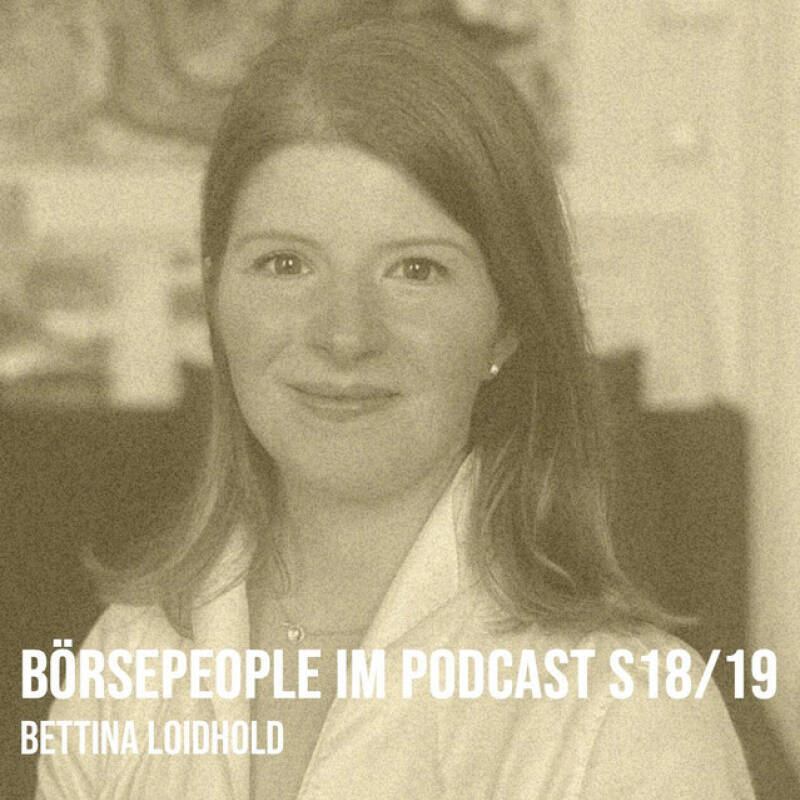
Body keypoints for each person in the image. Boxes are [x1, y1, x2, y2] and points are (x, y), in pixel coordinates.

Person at [37, 18, 755, 799]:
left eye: (415, 270)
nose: (345, 335)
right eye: (285, 263)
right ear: (216, 296)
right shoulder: (124, 665)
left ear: (508, 320)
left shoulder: (630, 714)